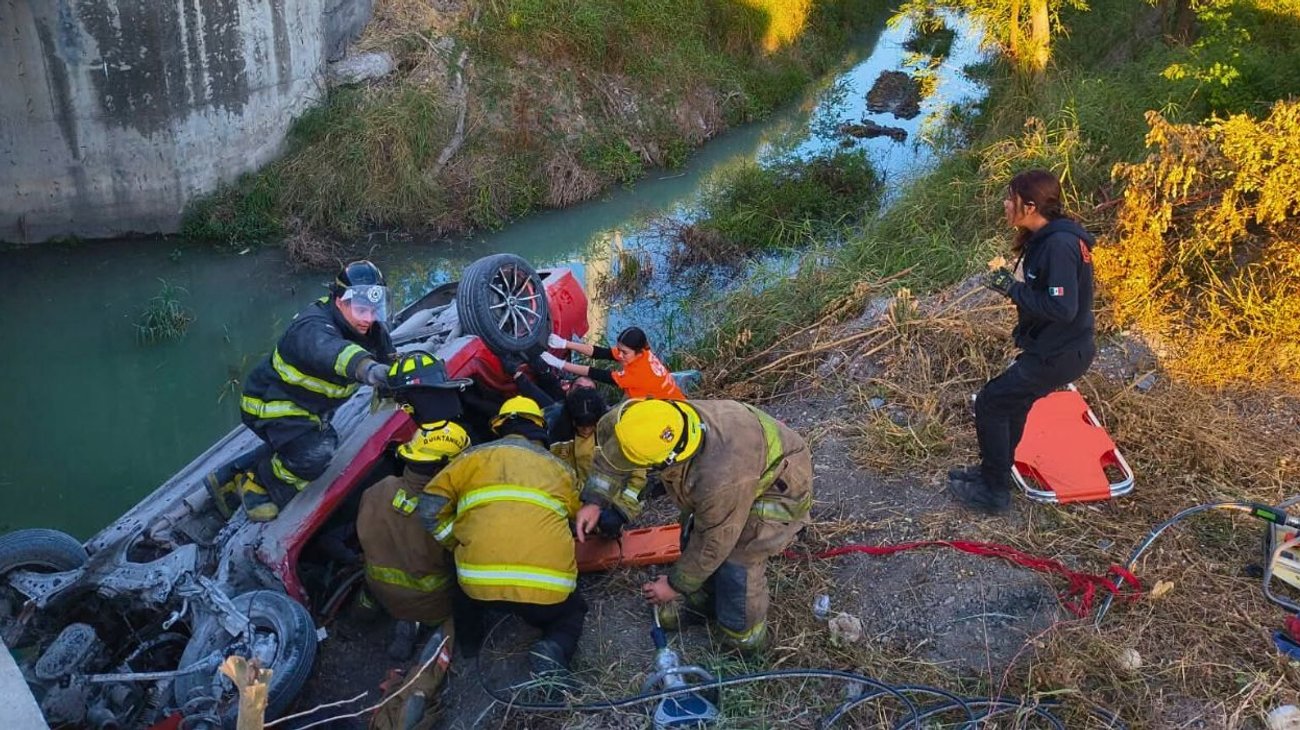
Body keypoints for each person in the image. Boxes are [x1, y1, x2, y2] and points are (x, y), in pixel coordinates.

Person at [577, 398, 813, 653]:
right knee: (693, 530)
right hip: (745, 469)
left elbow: (714, 541)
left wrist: (674, 585)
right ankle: (704, 602)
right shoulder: (650, 419)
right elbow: (616, 454)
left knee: (737, 563)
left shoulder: (718, 477)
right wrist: (595, 501)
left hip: (777, 491)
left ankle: (744, 641)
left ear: (667, 461)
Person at [947, 169, 1097, 514]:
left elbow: (1062, 307)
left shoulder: (1059, 245)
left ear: (1029, 206)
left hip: (1060, 352)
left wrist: (1013, 289)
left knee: (991, 402)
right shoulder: (1047, 238)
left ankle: (993, 492)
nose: (1005, 204)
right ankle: (993, 473)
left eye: (1010, 198)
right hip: (1054, 347)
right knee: (1012, 404)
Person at [206, 260, 396, 522]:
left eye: (375, 310)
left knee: (302, 440)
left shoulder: (369, 326)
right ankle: (258, 484)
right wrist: (368, 369)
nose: (369, 318)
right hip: (271, 406)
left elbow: (387, 355)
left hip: (308, 408)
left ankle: (228, 475)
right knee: (318, 452)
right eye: (362, 309)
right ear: (339, 301)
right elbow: (332, 352)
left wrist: (394, 381)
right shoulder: (311, 327)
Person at [416, 396, 586, 678]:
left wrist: (455, 541)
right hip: (546, 592)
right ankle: (552, 646)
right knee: (572, 612)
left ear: (500, 427)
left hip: (478, 586)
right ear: (540, 428)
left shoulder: (469, 459)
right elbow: (578, 518)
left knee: (461, 594)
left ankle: (470, 645)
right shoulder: (561, 469)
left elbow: (428, 508)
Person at [356, 418, 469, 659]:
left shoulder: (378, 490)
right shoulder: (449, 511)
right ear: (443, 468)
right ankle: (417, 626)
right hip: (434, 605)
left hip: (381, 593)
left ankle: (366, 617)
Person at [549, 387, 646, 538]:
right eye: (581, 426)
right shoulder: (559, 439)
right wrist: (578, 510)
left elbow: (637, 478)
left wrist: (621, 511)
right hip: (576, 512)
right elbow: (560, 479)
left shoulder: (615, 433)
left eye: (591, 425)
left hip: (612, 505)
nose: (586, 430)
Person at [540, 326, 685, 400]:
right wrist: (565, 344)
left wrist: (559, 363)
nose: (620, 355)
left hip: (666, 405)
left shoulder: (638, 374)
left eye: (624, 353)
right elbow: (601, 353)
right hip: (664, 394)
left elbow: (596, 374)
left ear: (638, 351)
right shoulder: (643, 353)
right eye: (619, 350)